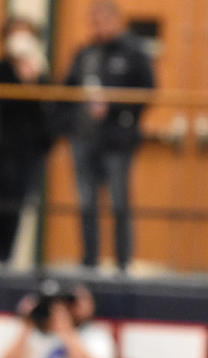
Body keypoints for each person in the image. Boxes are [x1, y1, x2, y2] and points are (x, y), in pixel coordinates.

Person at [60, 0, 155, 272]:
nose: (96, 26)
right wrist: (68, 126)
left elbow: (147, 91)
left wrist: (115, 109)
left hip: (117, 141)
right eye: (92, 21)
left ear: (115, 20)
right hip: (84, 139)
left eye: (100, 20)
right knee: (86, 202)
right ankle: (90, 261)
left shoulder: (134, 52)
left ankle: (122, 264)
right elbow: (67, 90)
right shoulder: (86, 52)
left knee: (119, 203)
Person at [0, 16, 56, 265]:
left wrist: (34, 81)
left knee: (19, 202)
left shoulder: (41, 72)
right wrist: (21, 81)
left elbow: (46, 111)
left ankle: (6, 257)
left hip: (30, 148)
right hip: (1, 147)